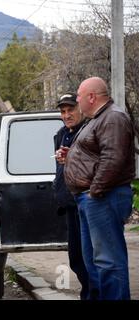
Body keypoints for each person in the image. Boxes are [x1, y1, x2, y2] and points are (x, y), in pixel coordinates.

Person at [64, 77, 135, 300]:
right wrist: (71, 157)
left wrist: (94, 192)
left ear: (92, 97)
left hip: (103, 197)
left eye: (78, 96)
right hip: (92, 199)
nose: (77, 100)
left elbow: (113, 158)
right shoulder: (98, 118)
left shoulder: (113, 117)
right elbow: (96, 154)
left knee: (109, 261)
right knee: (94, 261)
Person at [53, 93, 90, 300]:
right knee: (75, 256)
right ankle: (88, 292)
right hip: (69, 201)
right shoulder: (60, 134)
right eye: (63, 111)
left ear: (80, 109)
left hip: (85, 200)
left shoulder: (87, 131)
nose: (67, 115)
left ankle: (92, 294)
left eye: (71, 110)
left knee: (89, 255)